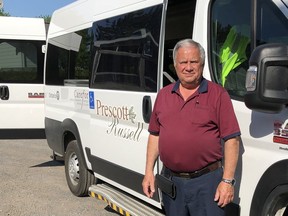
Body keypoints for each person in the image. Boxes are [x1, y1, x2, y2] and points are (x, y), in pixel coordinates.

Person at [142, 39, 241, 216]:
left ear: (201, 64)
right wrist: (149, 172)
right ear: (175, 65)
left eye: (193, 62)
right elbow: (155, 135)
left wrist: (227, 181)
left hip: (207, 183)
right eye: (183, 62)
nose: (188, 67)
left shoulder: (218, 94)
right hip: (172, 183)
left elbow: (232, 140)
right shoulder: (164, 95)